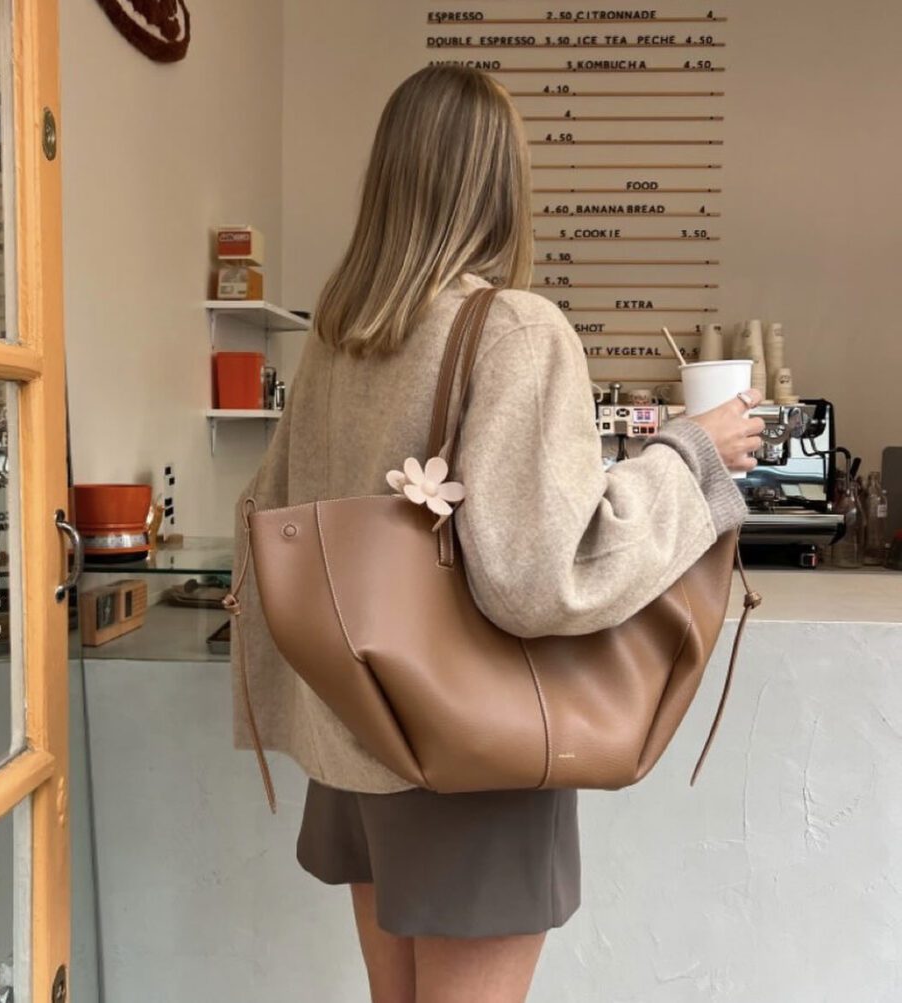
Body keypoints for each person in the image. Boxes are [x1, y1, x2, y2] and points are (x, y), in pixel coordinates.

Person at [231, 65, 763, 1003]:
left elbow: (273, 513)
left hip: (356, 735)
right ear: (502, 183)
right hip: (469, 750)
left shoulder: (339, 341)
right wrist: (691, 457)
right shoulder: (514, 329)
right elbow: (541, 573)